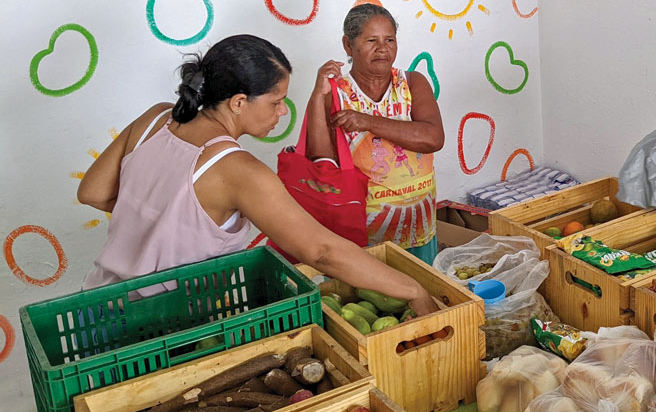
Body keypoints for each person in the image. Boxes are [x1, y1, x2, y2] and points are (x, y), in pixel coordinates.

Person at [77, 34, 438, 315]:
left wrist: (163, 221)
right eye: (275, 101)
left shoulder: (155, 119)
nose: (282, 112)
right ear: (238, 102)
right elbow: (322, 251)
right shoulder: (239, 170)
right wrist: (413, 289)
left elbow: (91, 192)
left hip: (97, 304)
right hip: (167, 324)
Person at [305, 3, 444, 264]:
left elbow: (433, 138)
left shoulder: (413, 83)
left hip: (419, 229)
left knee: (427, 297)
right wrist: (317, 96)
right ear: (348, 45)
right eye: (371, 40)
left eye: (389, 39)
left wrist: (368, 122)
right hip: (363, 239)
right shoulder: (337, 94)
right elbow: (319, 160)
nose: (383, 48)